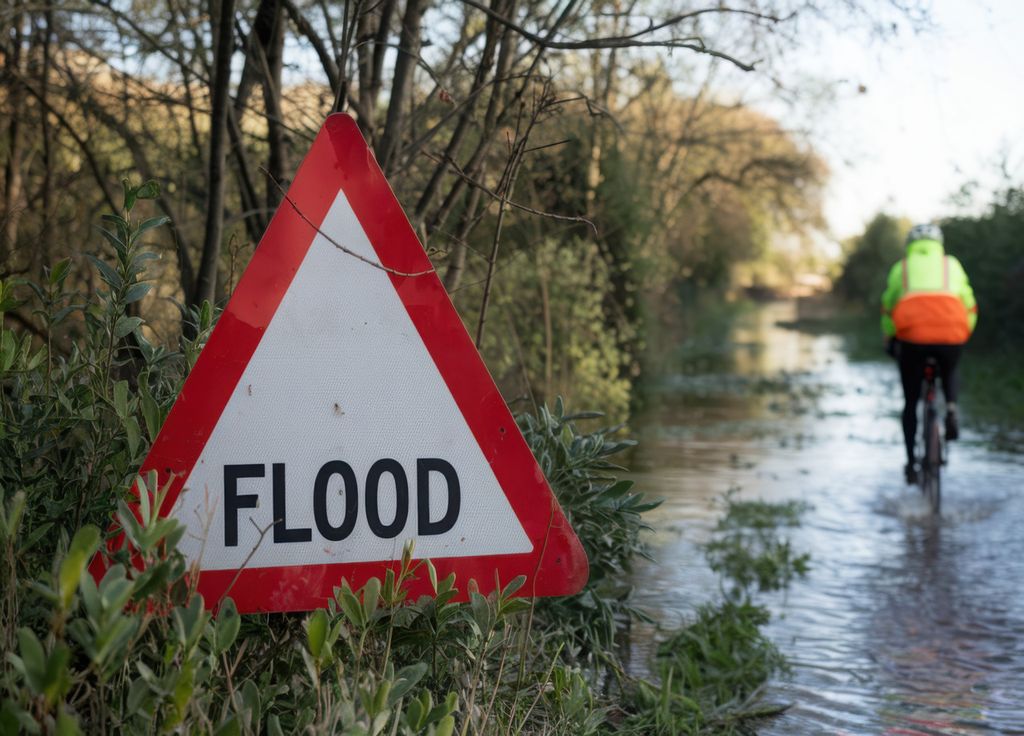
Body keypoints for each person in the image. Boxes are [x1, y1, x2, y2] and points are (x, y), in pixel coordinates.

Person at [881, 223, 977, 484]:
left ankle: (911, 463)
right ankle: (952, 409)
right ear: (939, 244)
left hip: (913, 340)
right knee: (951, 367)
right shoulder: (951, 265)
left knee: (911, 402)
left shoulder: (902, 268)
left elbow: (888, 309)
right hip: (951, 336)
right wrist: (962, 335)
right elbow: (969, 305)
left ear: (910, 244)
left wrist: (890, 337)